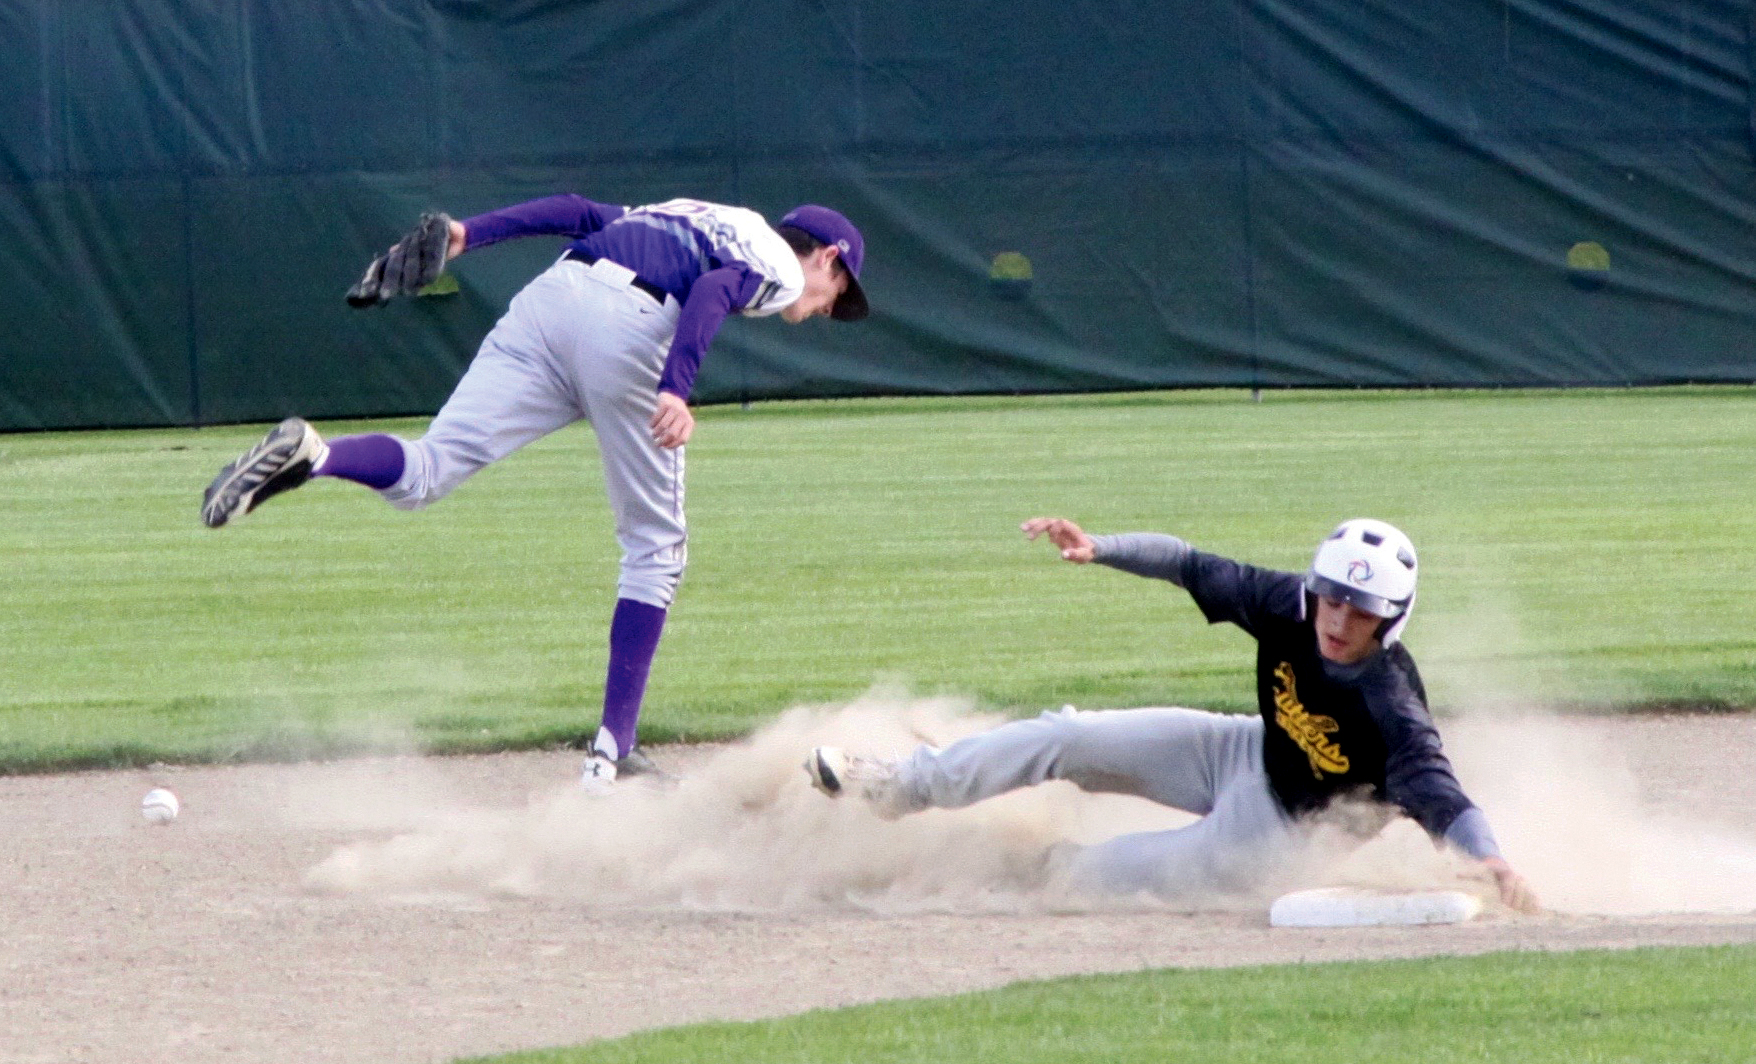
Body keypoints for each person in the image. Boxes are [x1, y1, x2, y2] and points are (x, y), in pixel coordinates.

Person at [201, 194, 869, 789]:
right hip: (629, 329)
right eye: (837, 296)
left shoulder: (698, 213)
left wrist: (467, 234)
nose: (822, 312)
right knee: (656, 550)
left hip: (553, 302)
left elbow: (577, 213)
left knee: (427, 469)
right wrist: (675, 386)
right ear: (828, 259)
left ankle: (315, 455)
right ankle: (612, 755)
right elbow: (716, 291)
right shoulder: (780, 268)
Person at [805, 516, 1541, 913]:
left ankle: (987, 872)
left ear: (1392, 620)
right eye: (1332, 596)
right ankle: (900, 786)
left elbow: (1443, 794)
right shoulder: (1290, 603)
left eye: (1360, 609)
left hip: (1275, 837)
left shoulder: (1390, 702)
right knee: (1070, 734)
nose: (1338, 617)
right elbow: (1188, 562)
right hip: (1245, 749)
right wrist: (1101, 548)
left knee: (1086, 876)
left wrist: (1491, 860)